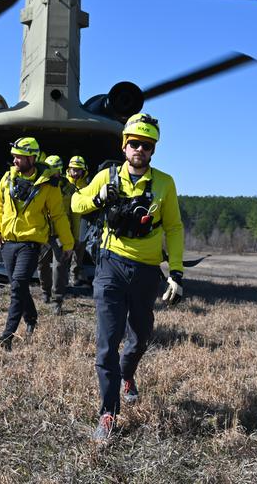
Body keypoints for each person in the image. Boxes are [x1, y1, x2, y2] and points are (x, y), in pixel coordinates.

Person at [71, 113, 184, 444]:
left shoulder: (165, 183)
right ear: (124, 146)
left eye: (146, 145)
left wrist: (175, 272)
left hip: (147, 270)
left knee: (141, 336)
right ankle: (108, 412)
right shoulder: (106, 177)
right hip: (110, 265)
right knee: (108, 341)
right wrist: (98, 197)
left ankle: (128, 374)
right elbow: (77, 203)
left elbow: (175, 228)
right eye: (134, 143)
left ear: (153, 151)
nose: (139, 149)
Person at [0, 137, 74, 351]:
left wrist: (68, 242)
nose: (15, 160)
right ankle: (32, 319)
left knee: (18, 285)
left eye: (19, 156)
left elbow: (58, 215)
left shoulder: (49, 185)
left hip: (31, 243)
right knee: (19, 286)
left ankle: (7, 335)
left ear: (31, 158)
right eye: (14, 156)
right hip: (8, 242)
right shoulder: (7, 177)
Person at [37, 155, 71, 314]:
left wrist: (74, 236)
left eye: (55, 170)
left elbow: (74, 211)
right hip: (44, 232)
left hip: (59, 233)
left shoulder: (68, 188)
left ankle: (57, 299)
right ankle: (45, 291)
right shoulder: (40, 185)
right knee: (42, 264)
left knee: (59, 266)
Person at [66, 155, 90, 286]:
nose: (75, 172)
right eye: (73, 169)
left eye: (78, 170)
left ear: (83, 170)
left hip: (81, 224)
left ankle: (74, 277)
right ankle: (61, 278)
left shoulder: (86, 186)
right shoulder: (63, 183)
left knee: (78, 253)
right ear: (68, 169)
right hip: (65, 224)